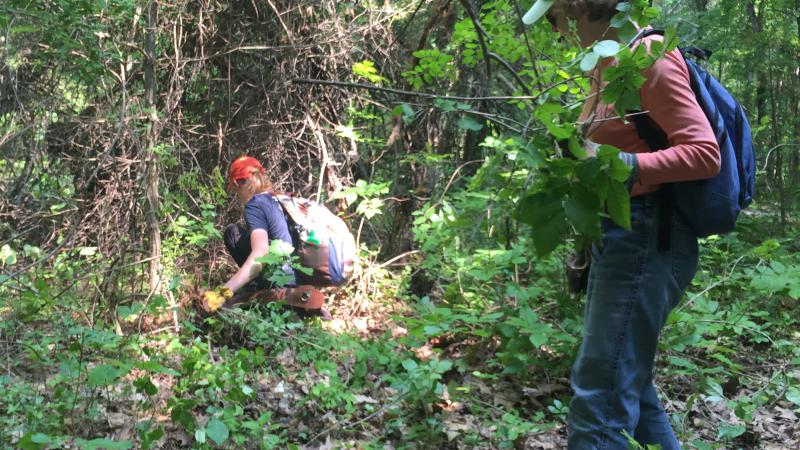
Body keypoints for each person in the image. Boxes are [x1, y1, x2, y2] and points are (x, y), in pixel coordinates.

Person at [524, 1, 720, 449]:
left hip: (648, 236)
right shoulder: (606, 64)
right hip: (619, 234)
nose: (556, 33)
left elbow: (704, 153)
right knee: (626, 381)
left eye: (554, 19)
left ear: (575, 7)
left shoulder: (647, 58)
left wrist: (620, 164)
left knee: (601, 392)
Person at [200, 155, 331, 319]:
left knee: (232, 233)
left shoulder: (255, 204)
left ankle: (260, 288)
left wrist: (224, 292)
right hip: (299, 277)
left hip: (281, 282)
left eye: (234, 189)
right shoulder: (281, 199)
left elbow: (260, 252)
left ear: (236, 184)